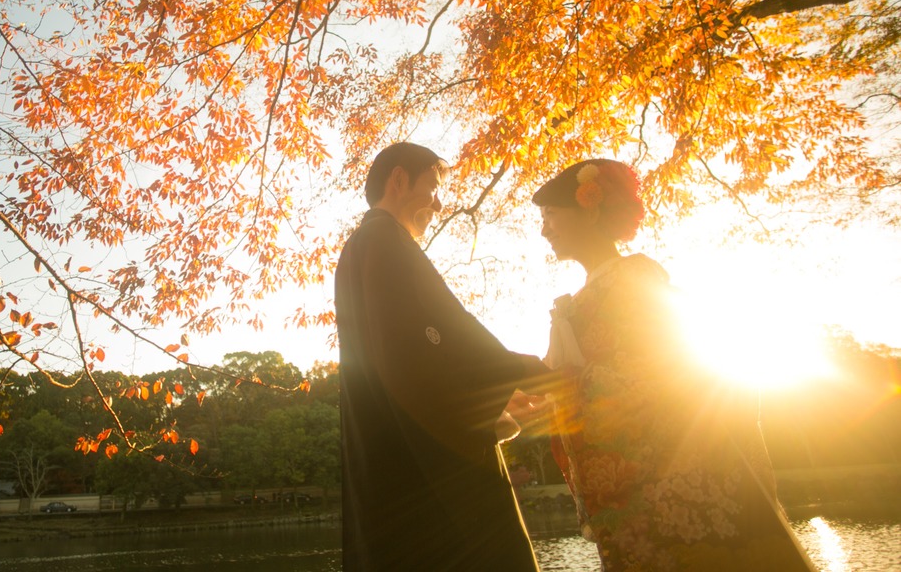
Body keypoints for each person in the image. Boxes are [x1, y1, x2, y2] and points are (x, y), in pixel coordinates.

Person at [532, 159, 818, 572]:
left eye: (551, 215)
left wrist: (567, 385)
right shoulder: (577, 303)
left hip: (674, 483)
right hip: (629, 493)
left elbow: (678, 371)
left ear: (590, 210)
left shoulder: (638, 280)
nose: (544, 230)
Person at [335, 141, 551, 570]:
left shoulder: (362, 247)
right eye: (433, 188)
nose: (438, 203)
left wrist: (491, 395)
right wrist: (518, 371)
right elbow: (439, 333)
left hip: (388, 450)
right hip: (424, 462)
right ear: (399, 180)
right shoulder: (384, 240)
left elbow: (415, 347)